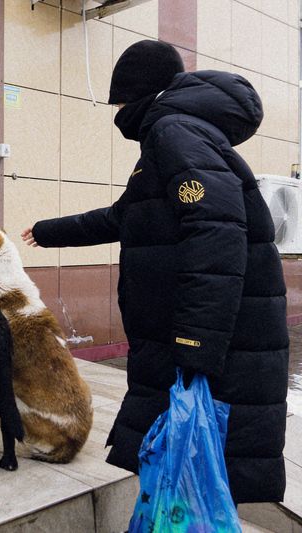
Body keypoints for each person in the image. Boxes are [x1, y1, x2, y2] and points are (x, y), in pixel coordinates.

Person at [22, 40, 288, 505]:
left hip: (198, 347)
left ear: (139, 93)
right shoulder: (178, 135)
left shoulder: (173, 133)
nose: (118, 112)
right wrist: (47, 232)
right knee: (183, 472)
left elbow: (215, 237)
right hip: (185, 342)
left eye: (119, 101)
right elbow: (126, 215)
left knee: (192, 471)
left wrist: (194, 344)